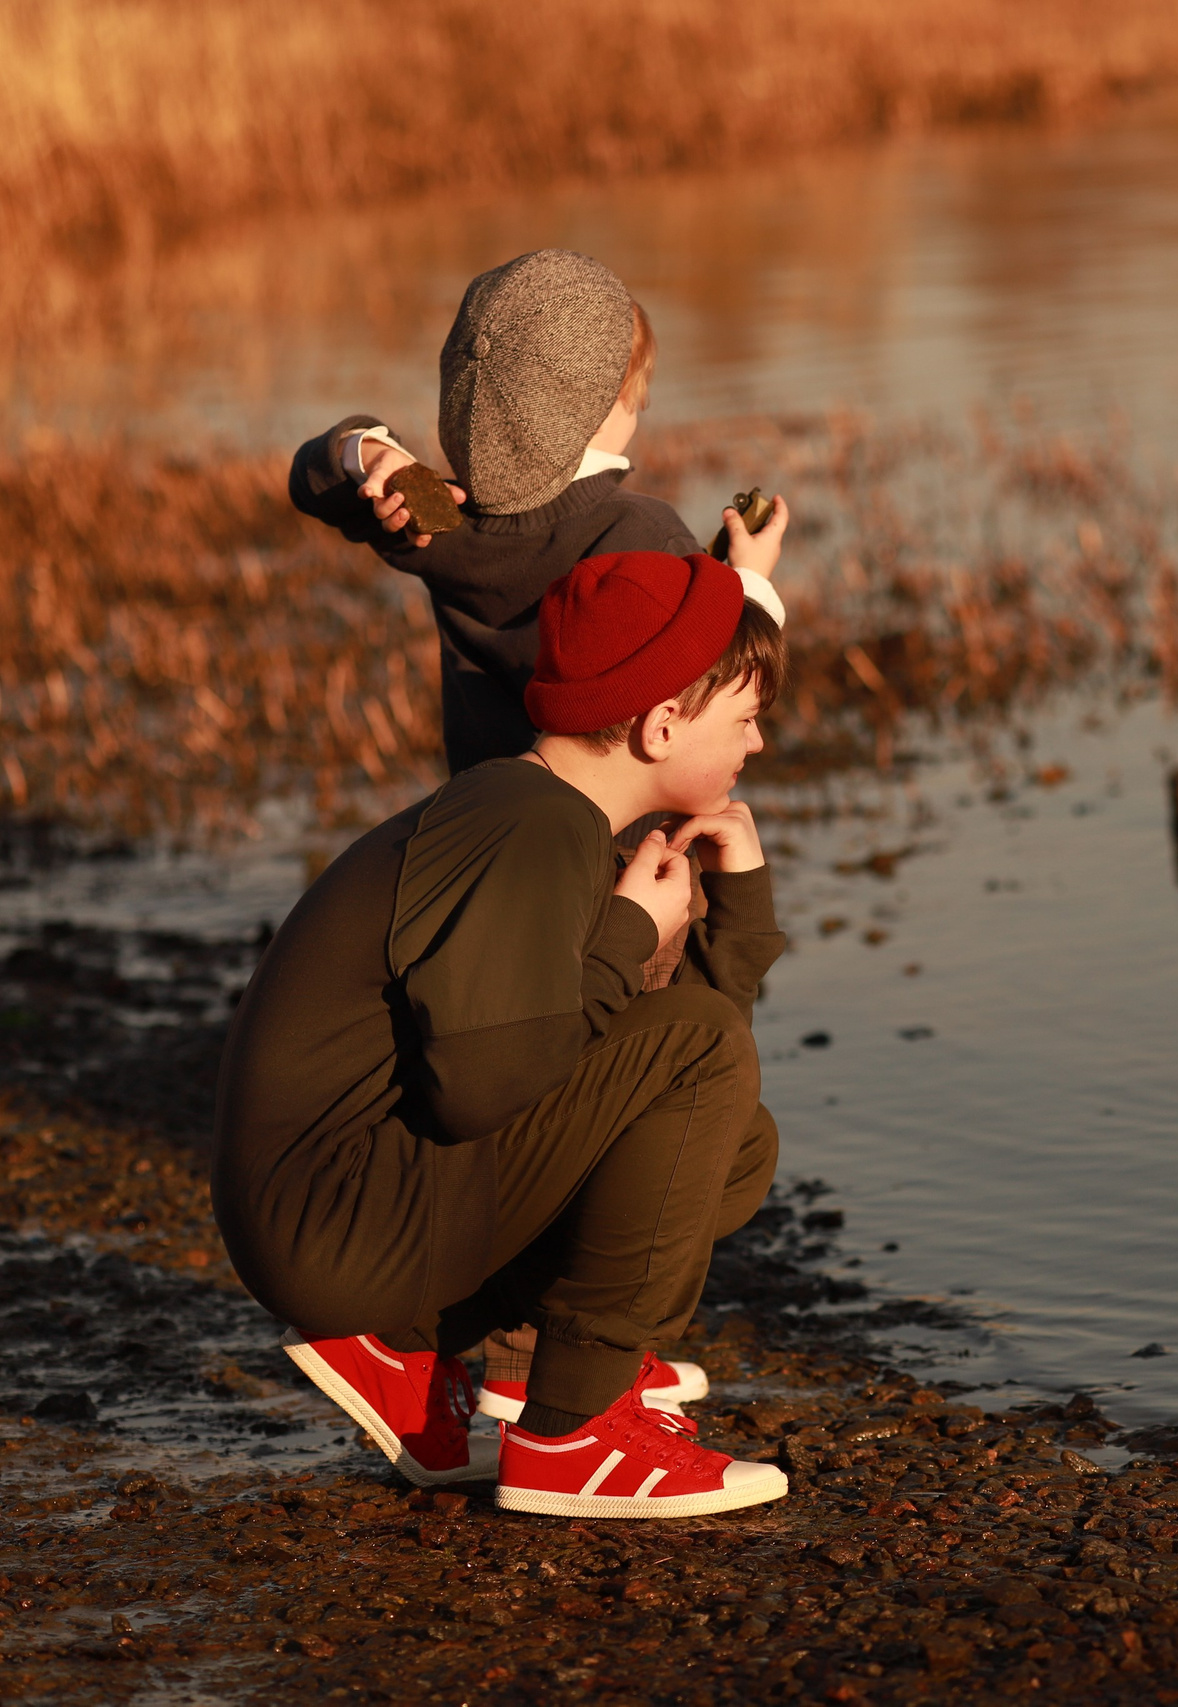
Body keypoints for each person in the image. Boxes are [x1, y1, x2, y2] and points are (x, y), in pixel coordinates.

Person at [213, 544, 795, 1517]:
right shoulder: (526, 828)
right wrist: (624, 938)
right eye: (746, 719)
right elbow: (485, 1083)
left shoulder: (559, 822)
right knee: (693, 1051)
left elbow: (678, 1089)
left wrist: (735, 901)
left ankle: (476, 1362)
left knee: (734, 1141)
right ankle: (572, 1430)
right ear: (660, 726)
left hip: (374, 1206)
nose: (759, 745)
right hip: (337, 1228)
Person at [286, 248, 785, 773]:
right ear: (609, 401)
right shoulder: (645, 532)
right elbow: (725, 681)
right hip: (618, 835)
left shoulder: (439, 523)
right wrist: (751, 581)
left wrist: (368, 453)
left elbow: (309, 480)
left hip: (490, 812)